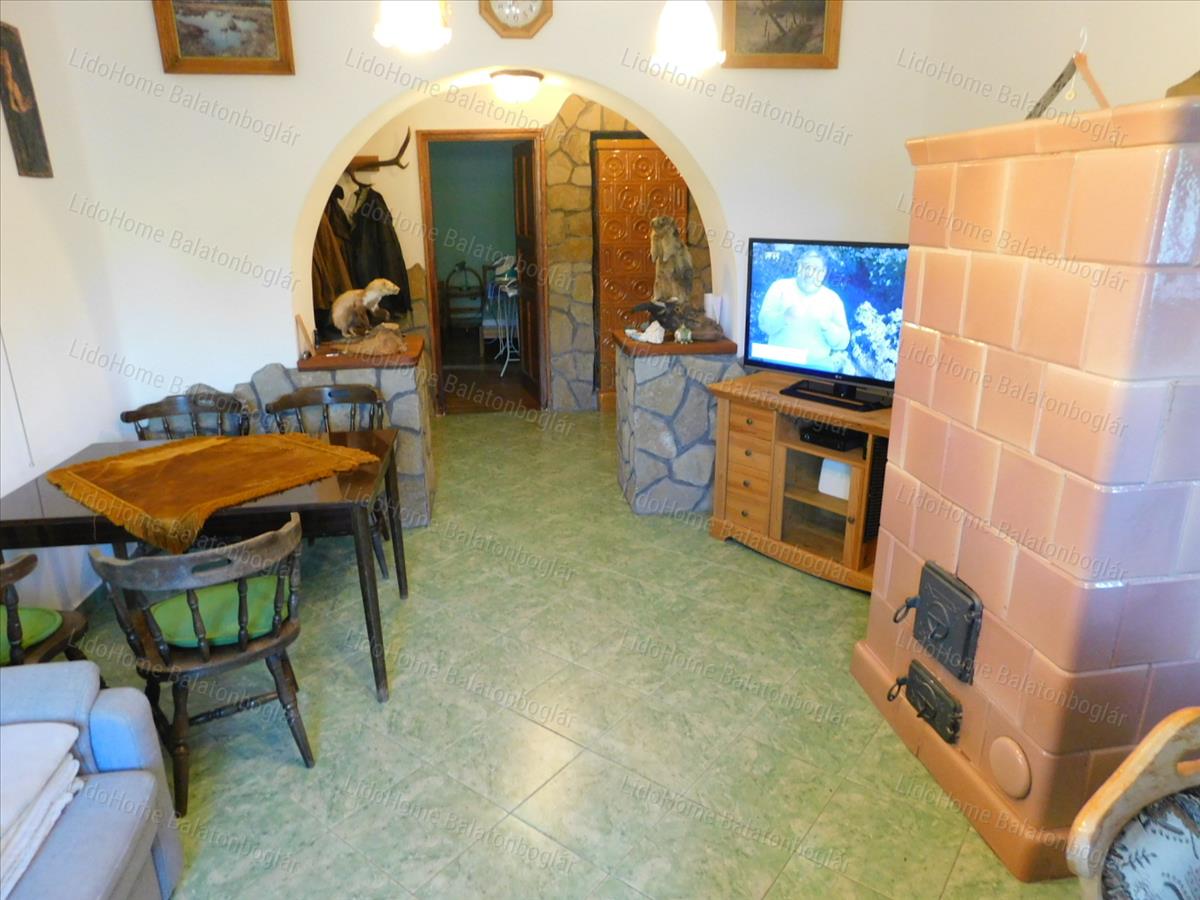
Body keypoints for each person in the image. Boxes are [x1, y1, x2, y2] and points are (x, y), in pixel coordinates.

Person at [758, 250, 850, 367]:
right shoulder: (779, 287)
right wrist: (783, 317)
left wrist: (828, 328)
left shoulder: (833, 300)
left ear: (823, 273)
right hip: (778, 365)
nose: (809, 273)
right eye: (806, 267)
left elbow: (843, 343)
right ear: (798, 267)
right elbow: (763, 324)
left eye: (815, 269)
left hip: (818, 369)